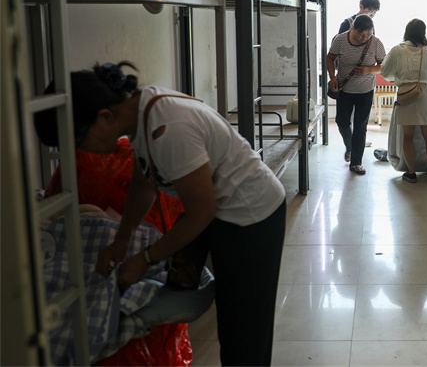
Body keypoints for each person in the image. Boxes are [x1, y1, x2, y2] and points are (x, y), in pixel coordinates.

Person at [33, 61, 285, 366]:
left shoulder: (168, 129)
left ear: (105, 117)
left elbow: (201, 213)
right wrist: (122, 240)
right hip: (215, 209)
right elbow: (143, 184)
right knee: (179, 278)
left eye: (79, 141)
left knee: (243, 330)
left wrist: (146, 258)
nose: (83, 151)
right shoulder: (140, 115)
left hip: (251, 215)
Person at [380, 19, 427, 183]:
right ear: (423, 33)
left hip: (406, 94)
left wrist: (398, 79)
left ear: (406, 32)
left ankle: (411, 173)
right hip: (424, 94)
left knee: (407, 136)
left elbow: (385, 72)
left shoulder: (396, 50)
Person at [327, 15, 386, 175]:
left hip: (366, 91)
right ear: (353, 29)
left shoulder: (376, 43)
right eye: (361, 34)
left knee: (360, 127)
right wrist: (332, 77)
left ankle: (356, 163)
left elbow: (383, 65)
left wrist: (369, 70)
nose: (365, 38)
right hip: (344, 90)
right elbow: (330, 58)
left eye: (368, 34)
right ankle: (350, 147)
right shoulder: (340, 40)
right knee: (342, 122)